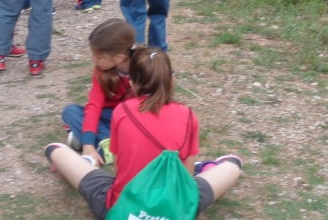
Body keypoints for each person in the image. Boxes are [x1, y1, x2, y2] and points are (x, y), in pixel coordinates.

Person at [45, 46, 242, 219]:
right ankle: (207, 167)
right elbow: (187, 178)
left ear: (132, 82)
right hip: (175, 210)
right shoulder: (188, 115)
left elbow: (120, 170)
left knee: (55, 149)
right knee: (233, 164)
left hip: (123, 206)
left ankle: (80, 155)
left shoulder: (122, 111)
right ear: (171, 79)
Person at [61, 19, 135, 163]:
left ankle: (103, 144)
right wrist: (88, 145)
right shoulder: (102, 72)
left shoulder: (143, 67)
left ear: (118, 58)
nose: (93, 60)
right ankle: (104, 144)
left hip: (131, 118)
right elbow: (94, 106)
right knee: (70, 111)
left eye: (99, 57)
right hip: (110, 116)